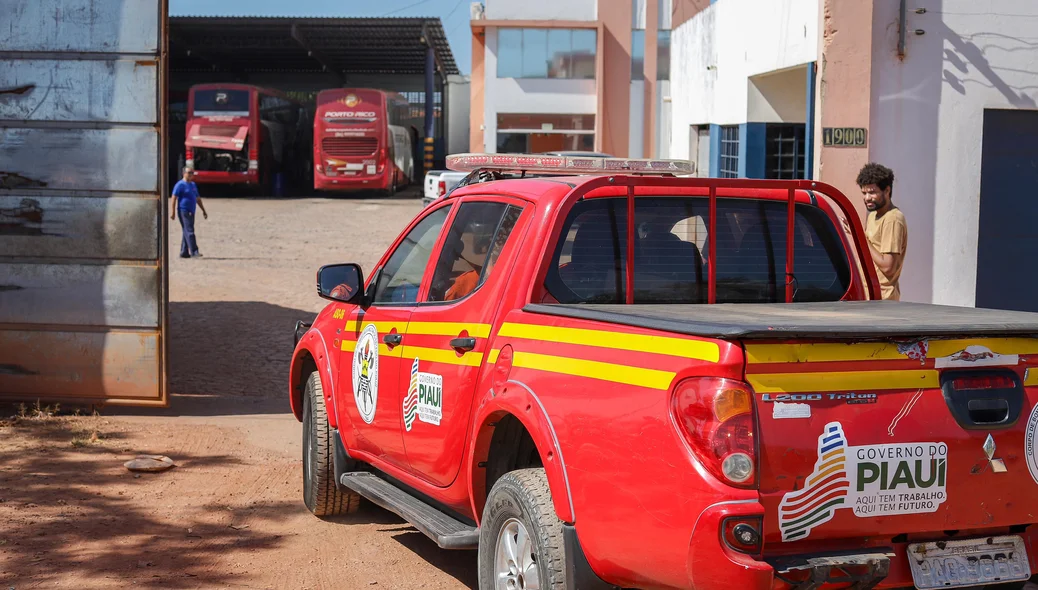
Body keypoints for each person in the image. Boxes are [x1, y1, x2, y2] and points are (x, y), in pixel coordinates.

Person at [857, 162, 907, 300]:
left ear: (887, 190)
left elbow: (888, 267)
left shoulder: (893, 219)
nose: (867, 198)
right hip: (868, 295)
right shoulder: (873, 215)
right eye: (864, 193)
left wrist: (861, 238)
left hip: (882, 300)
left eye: (872, 192)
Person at [170, 167, 208, 258]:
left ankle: (184, 252)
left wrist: (203, 210)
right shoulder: (180, 185)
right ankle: (194, 251)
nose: (191, 174)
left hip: (192, 211)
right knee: (190, 231)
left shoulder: (193, 185)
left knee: (186, 231)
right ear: (184, 173)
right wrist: (173, 212)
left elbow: (198, 199)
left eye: (192, 173)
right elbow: (174, 198)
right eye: (189, 173)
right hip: (183, 210)